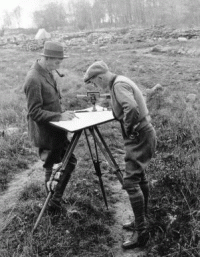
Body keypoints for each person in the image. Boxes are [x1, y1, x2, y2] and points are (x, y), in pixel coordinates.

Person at [83, 61, 156, 249]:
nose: (95, 86)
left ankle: (141, 233)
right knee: (139, 178)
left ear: (99, 77)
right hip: (144, 132)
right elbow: (129, 106)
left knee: (131, 182)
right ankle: (142, 221)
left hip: (139, 134)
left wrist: (129, 127)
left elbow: (131, 107)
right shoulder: (120, 81)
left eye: (93, 82)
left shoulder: (117, 85)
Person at [24, 41, 77, 213]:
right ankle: (53, 206)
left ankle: (54, 202)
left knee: (68, 161)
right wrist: (59, 116)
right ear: (46, 58)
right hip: (45, 131)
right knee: (52, 164)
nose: (59, 65)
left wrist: (61, 116)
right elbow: (34, 112)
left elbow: (52, 101)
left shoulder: (47, 72)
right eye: (56, 61)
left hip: (56, 129)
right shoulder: (33, 78)